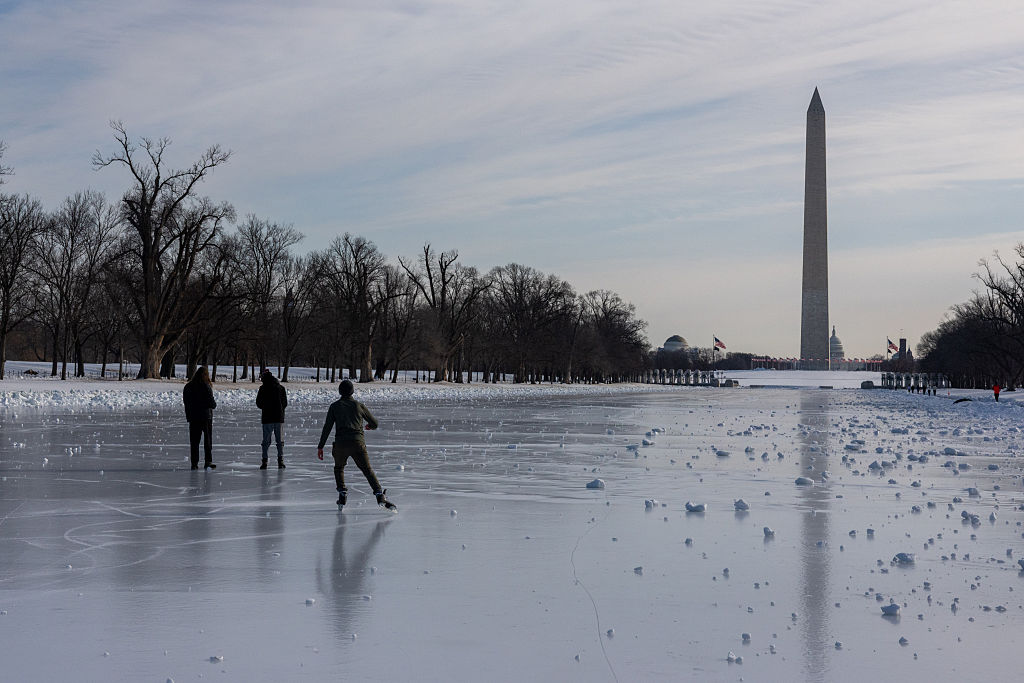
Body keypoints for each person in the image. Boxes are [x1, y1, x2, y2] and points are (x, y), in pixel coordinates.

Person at [317, 379, 396, 511]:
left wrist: (321, 446)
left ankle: (342, 492)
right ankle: (379, 495)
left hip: (341, 444)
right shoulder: (359, 405)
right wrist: (369, 426)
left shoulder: (334, 406)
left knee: (339, 468)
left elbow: (327, 427)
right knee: (367, 470)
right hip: (357, 443)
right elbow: (375, 423)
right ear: (352, 391)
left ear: (340, 391)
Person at [183, 366, 217, 470]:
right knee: (207, 441)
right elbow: (212, 403)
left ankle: (194, 463)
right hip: (205, 417)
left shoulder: (188, 386)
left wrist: (189, 415)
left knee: (194, 442)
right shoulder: (206, 386)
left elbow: (186, 402)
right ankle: (208, 461)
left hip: (193, 418)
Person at [256, 369, 288, 469]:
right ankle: (280, 461)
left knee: (266, 441)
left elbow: (258, 403)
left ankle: (264, 461)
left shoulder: (262, 388)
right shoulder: (281, 388)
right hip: (279, 417)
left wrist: (266, 407)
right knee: (279, 441)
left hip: (267, 418)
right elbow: (285, 403)